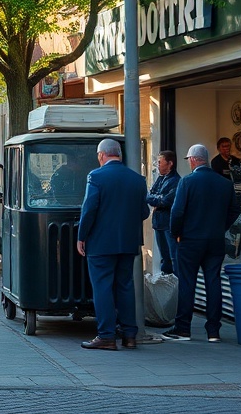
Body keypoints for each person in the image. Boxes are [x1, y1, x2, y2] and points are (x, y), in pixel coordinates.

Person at [76, 138, 150, 350]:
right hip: (128, 242)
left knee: (103, 287)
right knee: (125, 286)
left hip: (101, 244)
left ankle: (106, 335)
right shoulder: (137, 179)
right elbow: (144, 212)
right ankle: (129, 335)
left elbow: (89, 209)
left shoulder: (96, 176)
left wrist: (82, 236)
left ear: (101, 155)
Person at [164, 143, 241, 342]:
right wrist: (219, 227)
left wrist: (176, 233)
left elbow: (177, 211)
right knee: (213, 282)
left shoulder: (187, 182)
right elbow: (235, 210)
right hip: (215, 240)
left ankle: (183, 329)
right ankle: (213, 331)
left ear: (192, 159)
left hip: (190, 240)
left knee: (187, 282)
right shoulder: (224, 183)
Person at [146, 150, 180, 275]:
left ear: (169, 163)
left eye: (160, 162)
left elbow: (165, 201)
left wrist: (157, 200)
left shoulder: (176, 181)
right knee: (164, 257)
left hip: (168, 225)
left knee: (173, 257)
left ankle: (176, 286)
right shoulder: (161, 179)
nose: (158, 165)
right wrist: (157, 199)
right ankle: (166, 283)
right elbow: (149, 195)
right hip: (158, 224)